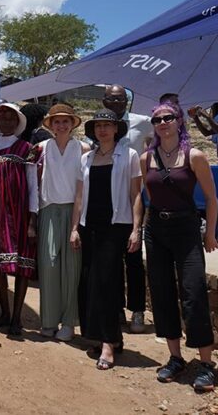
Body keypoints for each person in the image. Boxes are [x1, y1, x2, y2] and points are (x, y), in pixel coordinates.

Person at [142, 102, 218, 392]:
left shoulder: (194, 156)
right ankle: (175, 358)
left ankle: (206, 363)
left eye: (168, 117)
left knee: (194, 292)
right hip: (157, 230)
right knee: (161, 292)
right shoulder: (146, 158)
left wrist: (210, 233)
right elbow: (150, 195)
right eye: (157, 119)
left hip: (186, 229)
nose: (163, 122)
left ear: (179, 121)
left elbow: (212, 198)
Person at [73, 110, 142, 370]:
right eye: (98, 125)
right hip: (89, 226)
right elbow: (79, 196)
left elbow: (136, 194)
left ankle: (107, 343)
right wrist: (73, 228)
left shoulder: (129, 155)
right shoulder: (87, 158)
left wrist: (137, 229)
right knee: (90, 283)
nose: (102, 130)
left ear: (116, 129)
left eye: (107, 125)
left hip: (116, 226)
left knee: (108, 283)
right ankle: (109, 336)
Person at [0, 103, 39, 336]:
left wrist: (33, 220)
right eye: (1, 116)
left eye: (10, 117)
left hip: (20, 215)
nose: (5, 120)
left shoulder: (27, 149)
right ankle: (4, 312)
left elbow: (34, 186)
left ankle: (17, 318)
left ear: (17, 122)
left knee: (22, 266)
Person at [35, 104, 90, 341]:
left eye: (65, 121)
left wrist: (78, 222)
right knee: (49, 264)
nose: (61, 125)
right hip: (48, 209)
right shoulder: (41, 148)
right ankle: (48, 320)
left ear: (72, 123)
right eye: (56, 121)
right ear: (50, 125)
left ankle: (69, 322)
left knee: (72, 267)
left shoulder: (84, 148)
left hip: (74, 210)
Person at [102, 84, 150, 333]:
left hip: (134, 200)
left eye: (121, 99)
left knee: (133, 261)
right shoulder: (100, 127)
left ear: (127, 101)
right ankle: (117, 308)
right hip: (107, 207)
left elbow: (162, 138)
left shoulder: (142, 122)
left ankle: (138, 311)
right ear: (104, 101)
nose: (116, 103)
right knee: (112, 263)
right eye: (111, 99)